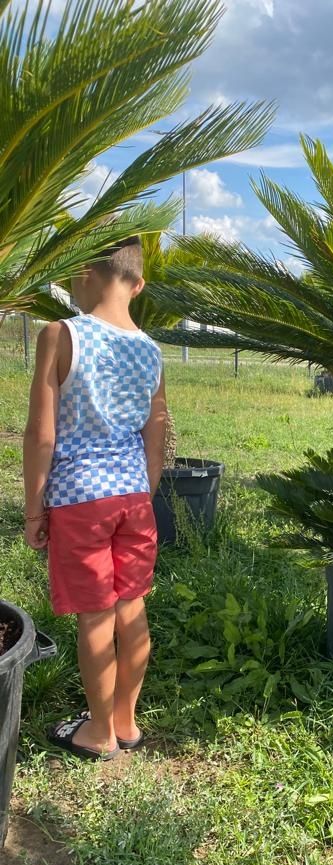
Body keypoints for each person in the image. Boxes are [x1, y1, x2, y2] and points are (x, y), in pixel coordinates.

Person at [22, 237, 167, 760]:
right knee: (133, 608)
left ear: (84, 273)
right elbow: (158, 431)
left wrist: (34, 506)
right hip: (132, 497)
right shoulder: (150, 349)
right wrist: (144, 489)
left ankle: (98, 733)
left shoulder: (60, 334)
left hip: (80, 498)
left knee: (95, 617)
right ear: (139, 284)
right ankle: (126, 722)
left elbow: (41, 434)